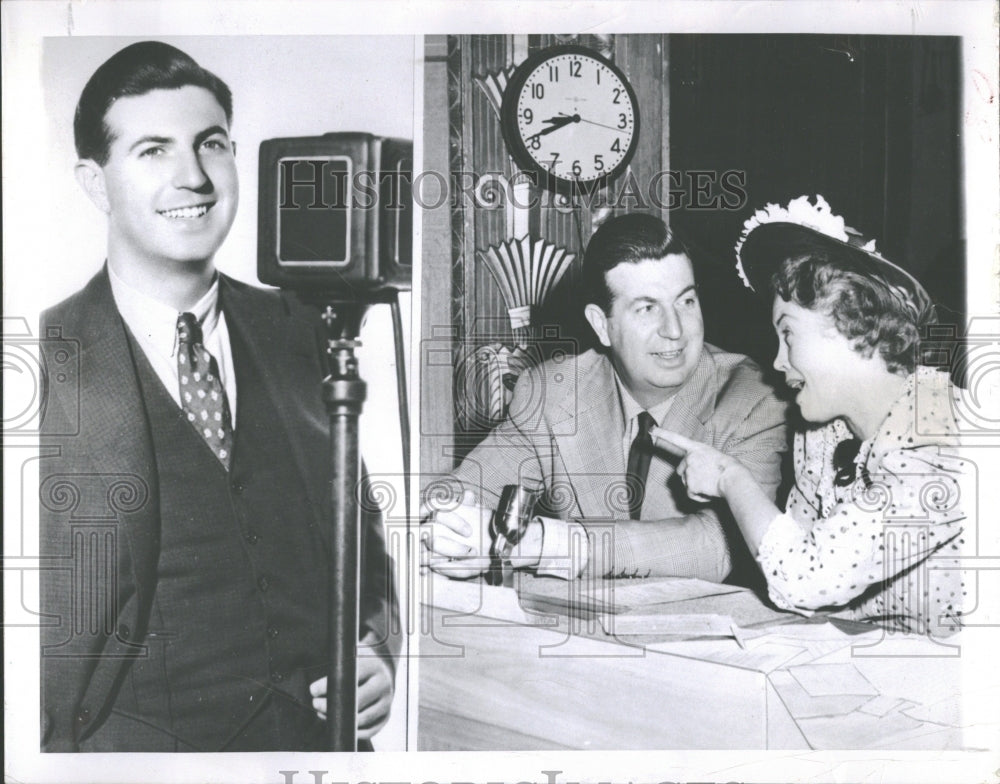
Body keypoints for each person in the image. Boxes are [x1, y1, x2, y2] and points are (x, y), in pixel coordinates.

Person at [38, 41, 397, 752]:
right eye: (153, 152)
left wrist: (376, 643)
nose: (193, 178)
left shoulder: (302, 327)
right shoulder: (45, 357)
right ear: (95, 181)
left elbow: (360, 532)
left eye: (211, 145)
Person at [653, 195, 968, 636]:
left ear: (851, 326)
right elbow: (789, 580)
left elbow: (806, 581)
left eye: (788, 335)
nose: (778, 362)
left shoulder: (942, 434)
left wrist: (729, 477)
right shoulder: (823, 434)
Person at [422, 213, 788, 583]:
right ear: (602, 325)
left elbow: (723, 546)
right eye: (647, 308)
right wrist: (449, 525)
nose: (675, 330)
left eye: (686, 302)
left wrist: (539, 543)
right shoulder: (552, 392)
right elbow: (468, 490)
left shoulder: (754, 397)